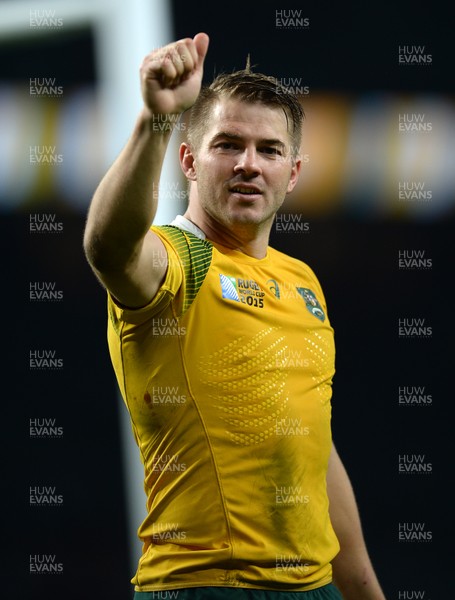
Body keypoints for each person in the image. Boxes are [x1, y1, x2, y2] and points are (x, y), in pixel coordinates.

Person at [83, 32, 386, 600]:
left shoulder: (303, 282)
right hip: (208, 586)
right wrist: (155, 119)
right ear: (190, 161)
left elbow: (313, 451)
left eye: (269, 150)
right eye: (229, 145)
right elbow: (109, 248)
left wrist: (365, 590)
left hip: (313, 588)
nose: (249, 163)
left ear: (292, 174)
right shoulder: (179, 257)